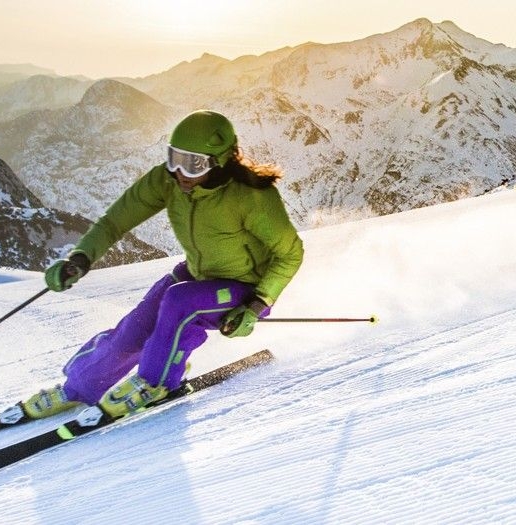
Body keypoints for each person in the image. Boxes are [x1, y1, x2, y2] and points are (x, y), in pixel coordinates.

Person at [21, 110, 304, 420]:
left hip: (244, 289)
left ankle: (155, 382)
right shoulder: (166, 181)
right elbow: (116, 221)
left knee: (180, 302)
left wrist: (256, 305)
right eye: (175, 158)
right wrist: (80, 257)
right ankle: (79, 387)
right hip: (197, 275)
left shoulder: (252, 198)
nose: (180, 171)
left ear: (219, 160)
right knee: (134, 330)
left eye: (193, 163)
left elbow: (289, 253)